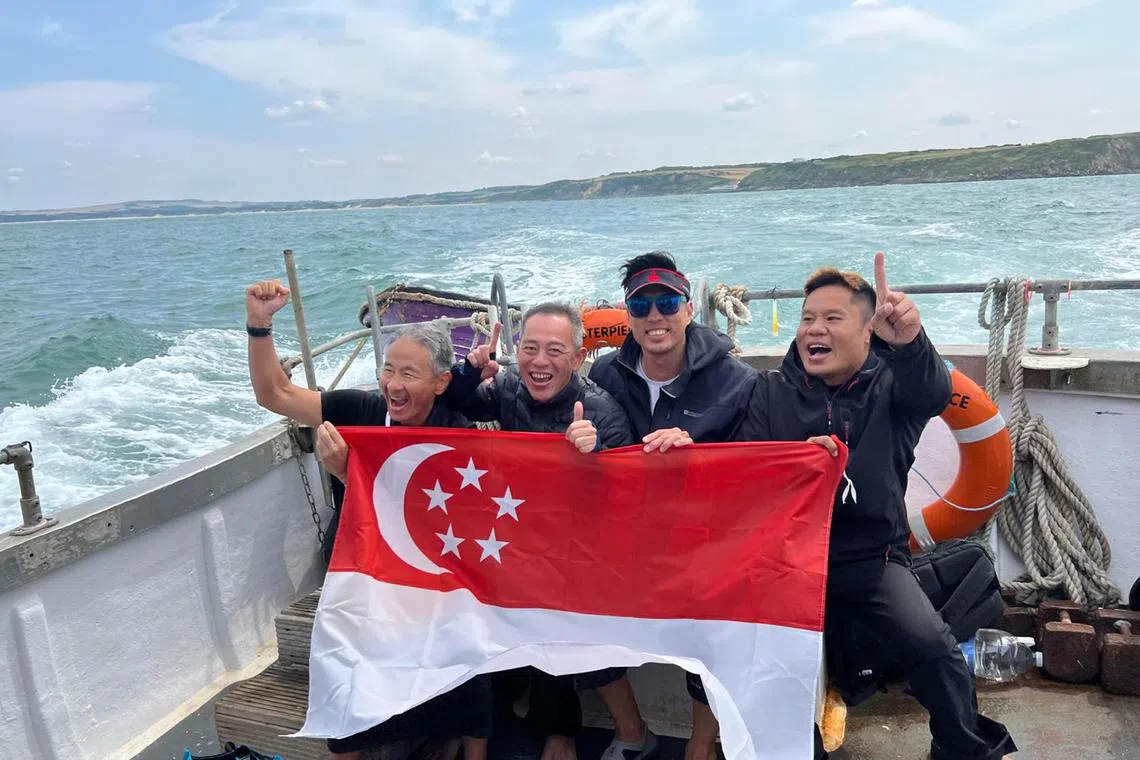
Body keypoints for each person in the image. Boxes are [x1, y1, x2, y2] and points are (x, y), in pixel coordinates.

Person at [730, 254, 1017, 760]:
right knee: (769, 664)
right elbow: (745, 472)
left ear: (867, 332)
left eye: (833, 318)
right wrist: (796, 467)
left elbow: (930, 388)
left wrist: (908, 342)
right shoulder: (769, 391)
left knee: (932, 646)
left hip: (871, 560)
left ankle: (962, 747)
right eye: (807, 319)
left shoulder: (894, 390)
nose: (814, 329)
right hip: (785, 562)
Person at [244, 279, 492, 760]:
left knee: (469, 656)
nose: (393, 385)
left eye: (410, 374)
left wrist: (348, 472)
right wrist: (259, 324)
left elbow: (457, 523)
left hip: (430, 578)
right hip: (361, 572)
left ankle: (467, 747)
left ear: (441, 382)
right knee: (345, 671)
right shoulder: (360, 411)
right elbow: (273, 393)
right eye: (387, 370)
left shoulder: (458, 434)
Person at [443, 300, 635, 760]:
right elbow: (454, 401)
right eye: (529, 348)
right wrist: (470, 371)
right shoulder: (507, 387)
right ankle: (474, 720)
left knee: (558, 615)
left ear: (577, 357)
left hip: (583, 550)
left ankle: (562, 729)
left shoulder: (601, 410)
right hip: (518, 535)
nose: (540, 361)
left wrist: (597, 451)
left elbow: (631, 492)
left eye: (554, 350)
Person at [584, 251, 757, 760]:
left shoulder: (736, 381)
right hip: (626, 536)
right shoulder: (605, 376)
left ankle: (700, 746)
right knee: (570, 597)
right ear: (627, 315)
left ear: (688, 309)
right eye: (641, 306)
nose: (654, 316)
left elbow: (754, 466)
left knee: (719, 624)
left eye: (667, 303)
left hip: (703, 539)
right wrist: (477, 381)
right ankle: (632, 730)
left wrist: (697, 459)